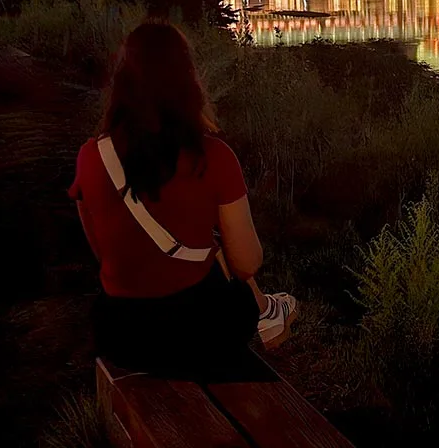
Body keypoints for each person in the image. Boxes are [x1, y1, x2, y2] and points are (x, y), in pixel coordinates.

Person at [69, 21, 296, 377]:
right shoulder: (213, 157)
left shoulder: (91, 156)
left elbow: (101, 250)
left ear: (122, 84)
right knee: (230, 272)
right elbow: (247, 263)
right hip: (196, 333)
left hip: (119, 335)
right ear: (188, 81)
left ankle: (267, 310)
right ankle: (269, 311)